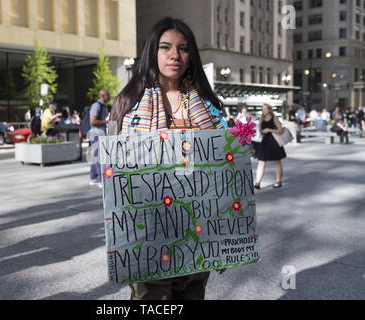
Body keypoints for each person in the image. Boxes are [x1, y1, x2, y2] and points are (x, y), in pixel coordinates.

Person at [109, 17, 227, 300]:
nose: (175, 55)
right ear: (153, 52)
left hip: (197, 228)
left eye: (183, 48)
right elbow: (114, 174)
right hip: (147, 230)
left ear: (191, 55)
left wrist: (226, 238)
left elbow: (224, 171)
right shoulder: (128, 103)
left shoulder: (208, 106)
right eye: (166, 47)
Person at [254, 104, 287, 190]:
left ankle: (278, 181)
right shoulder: (261, 119)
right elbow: (260, 129)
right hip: (264, 142)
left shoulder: (274, 118)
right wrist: (261, 131)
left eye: (265, 109)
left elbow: (280, 130)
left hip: (273, 142)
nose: (263, 110)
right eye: (262, 109)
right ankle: (257, 182)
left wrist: (269, 130)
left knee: (277, 162)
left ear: (269, 109)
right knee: (261, 162)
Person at [88, 89, 110, 187]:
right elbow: (92, 121)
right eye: (108, 95)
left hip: (100, 133)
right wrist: (106, 122)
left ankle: (93, 177)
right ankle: (101, 180)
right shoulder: (97, 106)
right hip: (96, 134)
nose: (109, 97)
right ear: (103, 96)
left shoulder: (103, 106)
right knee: (98, 156)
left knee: (96, 156)